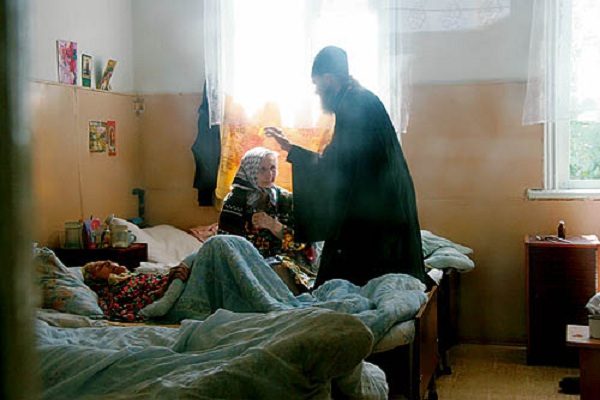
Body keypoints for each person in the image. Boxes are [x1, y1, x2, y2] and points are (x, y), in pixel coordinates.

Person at [266, 46, 430, 289]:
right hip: (383, 197)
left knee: (342, 275)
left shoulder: (353, 104)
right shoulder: (357, 98)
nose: (316, 91)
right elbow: (341, 160)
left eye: (317, 84)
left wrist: (293, 152)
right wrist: (292, 148)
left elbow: (333, 166)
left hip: (377, 206)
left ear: (328, 79)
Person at [218, 146, 316, 291]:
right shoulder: (234, 201)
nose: (269, 175)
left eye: (273, 168)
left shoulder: (287, 200)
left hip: (282, 262)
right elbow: (225, 243)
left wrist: (274, 226)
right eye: (262, 169)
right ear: (250, 171)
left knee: (277, 269)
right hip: (245, 263)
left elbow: (305, 246)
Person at [82, 260, 191, 322]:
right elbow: (129, 312)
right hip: (178, 294)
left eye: (107, 261)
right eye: (99, 267)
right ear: (96, 280)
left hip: (181, 281)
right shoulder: (112, 293)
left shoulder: (134, 277)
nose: (107, 262)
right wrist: (167, 285)